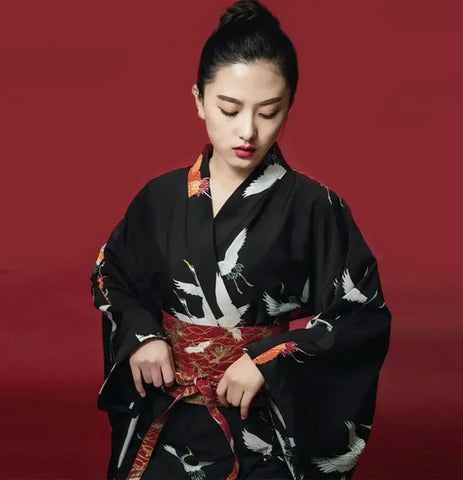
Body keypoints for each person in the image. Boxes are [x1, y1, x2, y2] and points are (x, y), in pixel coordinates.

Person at [90, 1, 392, 479]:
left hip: (260, 423)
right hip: (169, 418)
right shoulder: (160, 198)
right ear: (198, 100)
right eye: (228, 109)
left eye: (269, 112)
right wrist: (141, 334)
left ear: (289, 105)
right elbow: (113, 274)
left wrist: (269, 361)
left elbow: (361, 315)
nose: (247, 131)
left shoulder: (314, 205)